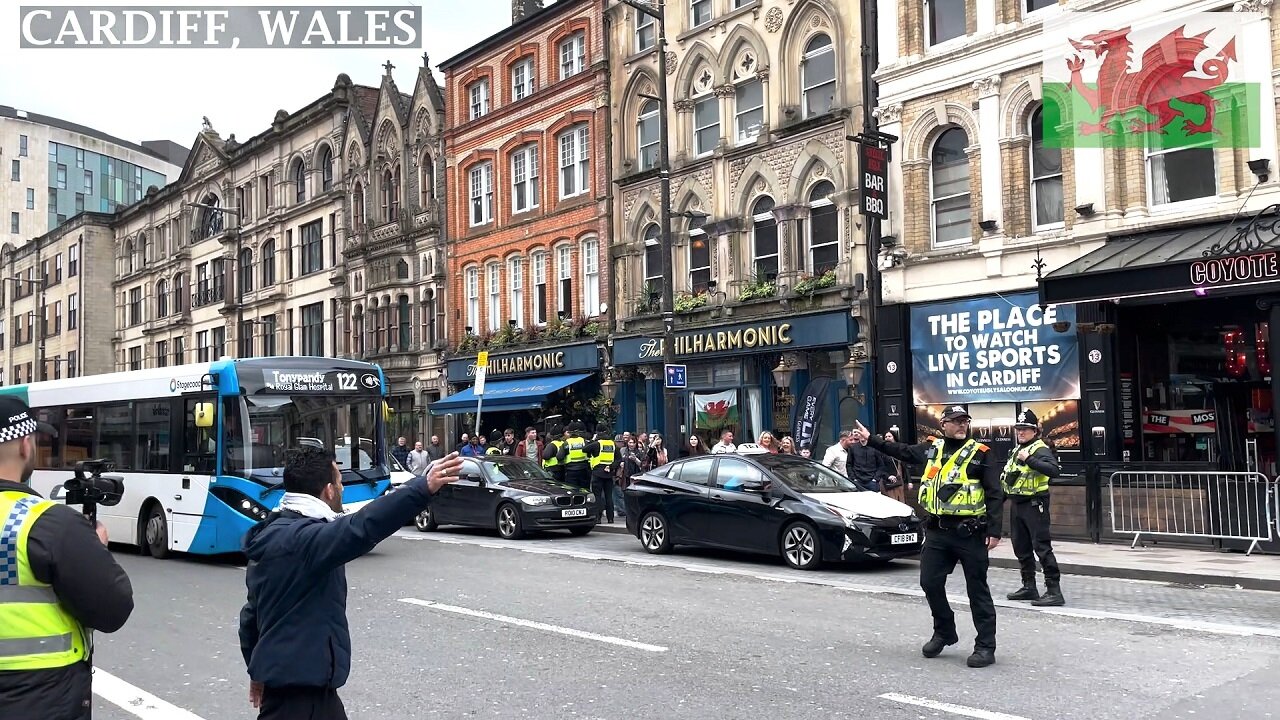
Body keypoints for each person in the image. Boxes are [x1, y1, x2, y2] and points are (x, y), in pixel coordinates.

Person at [240, 447, 464, 719]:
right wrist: (422, 488)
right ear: (329, 490)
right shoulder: (305, 540)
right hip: (298, 700)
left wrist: (257, 669)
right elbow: (363, 526)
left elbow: (251, 616)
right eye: (339, 481)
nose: (343, 487)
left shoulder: (276, 531)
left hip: (308, 692)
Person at [0, 397, 134, 720]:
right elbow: (113, 607)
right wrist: (96, 548)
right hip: (41, 698)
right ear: (24, 446)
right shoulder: (46, 524)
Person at [852, 405, 1004, 669]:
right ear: (943, 424)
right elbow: (903, 451)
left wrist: (994, 530)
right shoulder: (932, 448)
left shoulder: (981, 454)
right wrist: (872, 440)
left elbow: (994, 493)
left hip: (970, 533)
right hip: (937, 531)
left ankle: (985, 646)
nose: (961, 425)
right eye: (955, 421)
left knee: (977, 590)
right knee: (929, 583)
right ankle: (945, 631)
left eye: (964, 421)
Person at [1003, 409, 1064, 607]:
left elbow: (1054, 470)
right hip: (1017, 504)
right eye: (1018, 429)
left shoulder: (1039, 449)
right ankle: (1029, 586)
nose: (1021, 432)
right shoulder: (1015, 451)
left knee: (1042, 547)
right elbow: (1010, 479)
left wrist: (1029, 459)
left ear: (1035, 431)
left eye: (1025, 429)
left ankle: (1054, 591)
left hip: (1035, 504)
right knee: (1021, 547)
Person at [584, 433, 617, 523]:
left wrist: (593, 440)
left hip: (597, 473)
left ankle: (598, 518)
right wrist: (611, 466)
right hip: (609, 473)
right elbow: (618, 458)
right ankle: (610, 518)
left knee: (597, 496)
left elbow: (585, 449)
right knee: (609, 497)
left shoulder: (597, 444)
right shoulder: (612, 444)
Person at [558, 421, 592, 490]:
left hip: (571, 471)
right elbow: (589, 454)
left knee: (573, 491)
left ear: (569, 432)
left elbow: (559, 457)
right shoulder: (584, 441)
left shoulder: (566, 443)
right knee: (584, 491)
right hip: (584, 470)